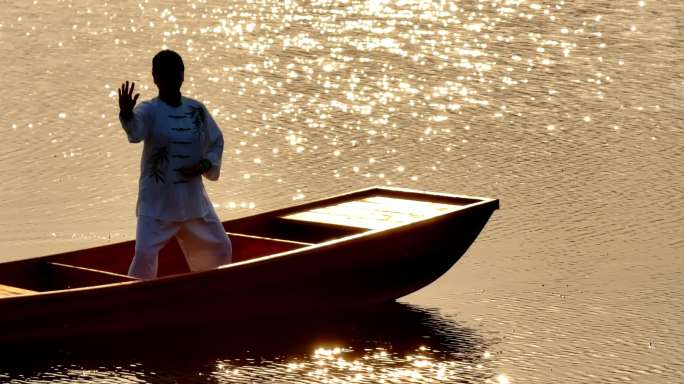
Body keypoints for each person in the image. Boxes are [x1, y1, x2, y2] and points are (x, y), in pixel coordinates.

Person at [117, 49, 231, 279]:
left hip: (193, 202)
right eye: (164, 74)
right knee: (144, 255)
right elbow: (136, 132)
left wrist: (205, 165)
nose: (170, 79)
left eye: (175, 73)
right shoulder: (149, 110)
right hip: (158, 201)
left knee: (221, 247)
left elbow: (216, 141)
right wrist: (127, 114)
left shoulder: (196, 109)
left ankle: (209, 294)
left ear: (182, 76)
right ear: (155, 77)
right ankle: (135, 304)